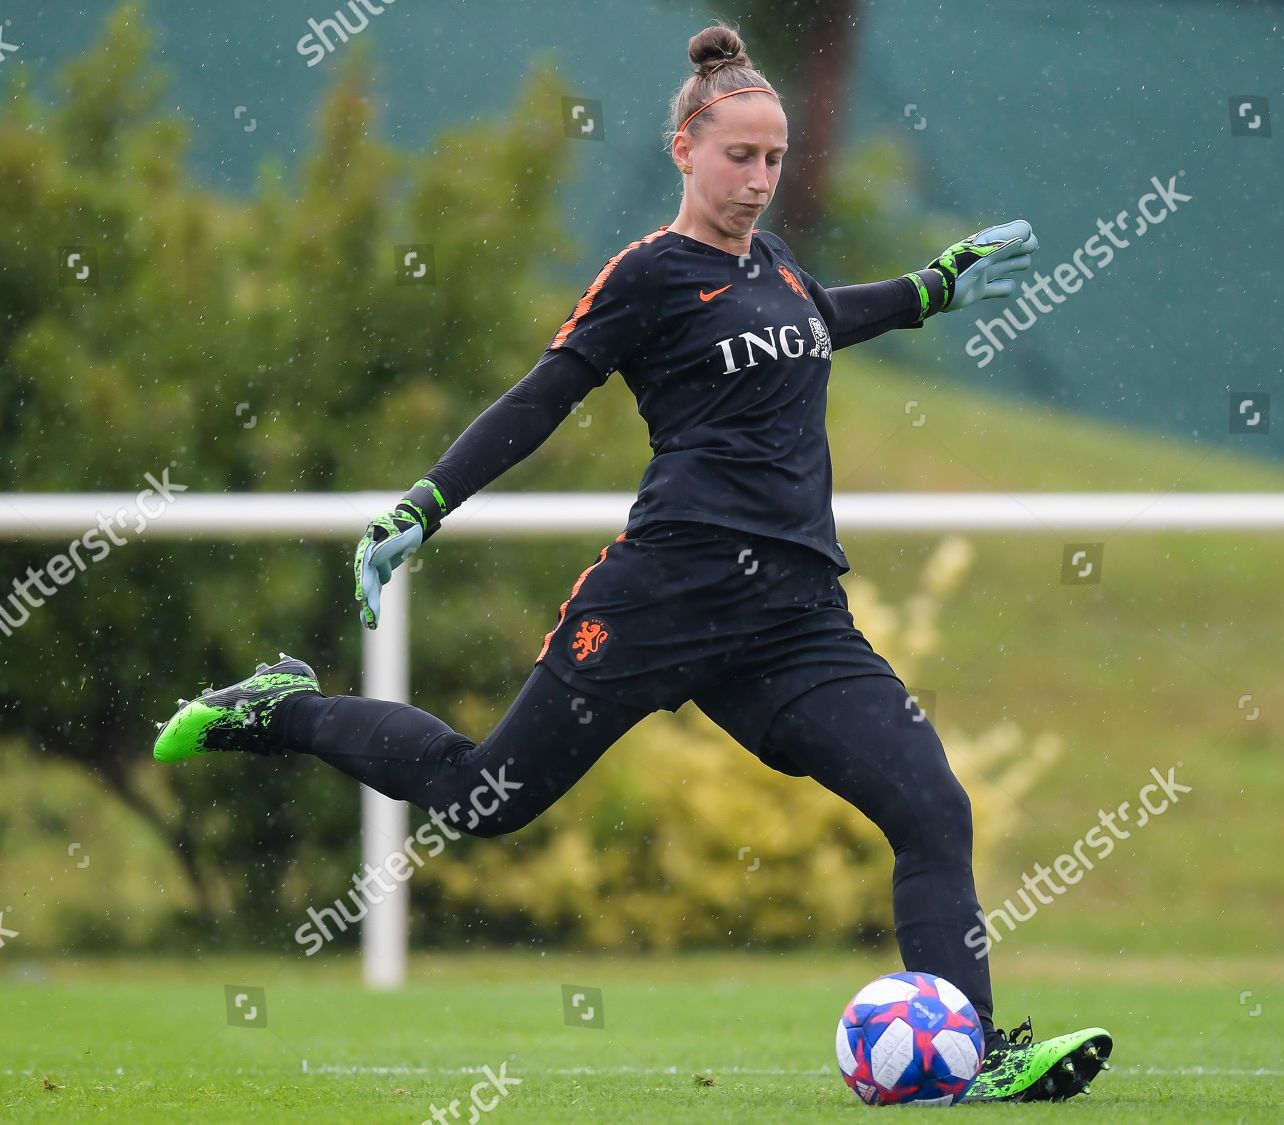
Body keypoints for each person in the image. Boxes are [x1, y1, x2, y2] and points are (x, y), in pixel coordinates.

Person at [151, 23, 1110, 1102]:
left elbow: (818, 321)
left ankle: (972, 1054)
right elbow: (544, 394)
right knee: (482, 800)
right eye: (739, 156)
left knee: (932, 809)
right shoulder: (648, 275)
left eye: (776, 158)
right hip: (663, 597)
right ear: (686, 152)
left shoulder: (779, 268)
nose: (759, 178)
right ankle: (283, 709)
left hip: (795, 617)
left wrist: (928, 289)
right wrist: (427, 502)